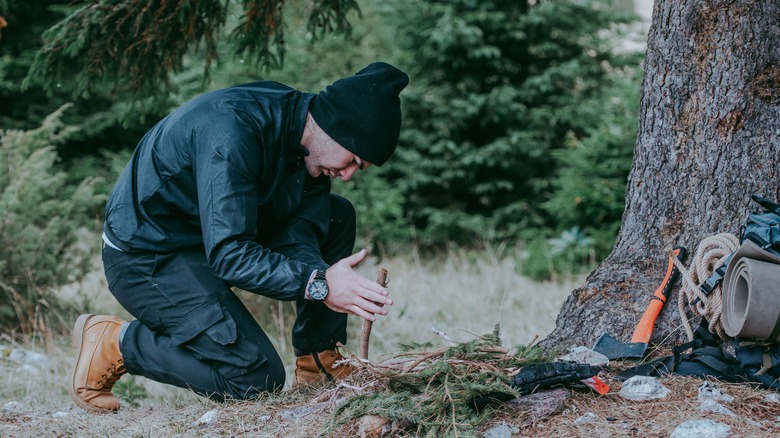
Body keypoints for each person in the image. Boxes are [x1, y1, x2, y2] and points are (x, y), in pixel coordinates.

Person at [68, 62, 409, 414]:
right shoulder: (232, 132)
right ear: (334, 127)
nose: (349, 174)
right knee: (256, 379)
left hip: (208, 235)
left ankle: (318, 362)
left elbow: (299, 234)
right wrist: (320, 284)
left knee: (337, 214)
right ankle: (116, 343)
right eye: (353, 159)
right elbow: (231, 255)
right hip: (148, 254)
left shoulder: (308, 143)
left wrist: (323, 281)